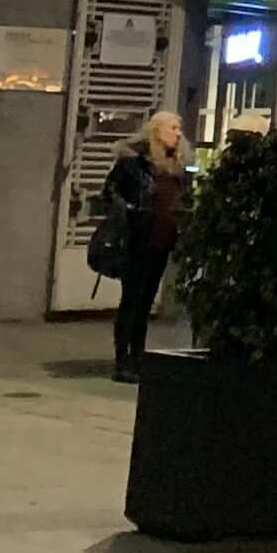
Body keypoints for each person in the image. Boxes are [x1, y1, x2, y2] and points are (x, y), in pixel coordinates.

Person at [100, 109, 193, 382]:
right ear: (157, 131)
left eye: (178, 128)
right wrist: (130, 212)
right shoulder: (134, 163)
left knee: (145, 301)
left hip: (161, 240)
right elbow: (110, 193)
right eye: (173, 128)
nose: (178, 133)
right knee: (132, 299)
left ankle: (138, 357)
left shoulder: (177, 165)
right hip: (137, 239)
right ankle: (123, 360)